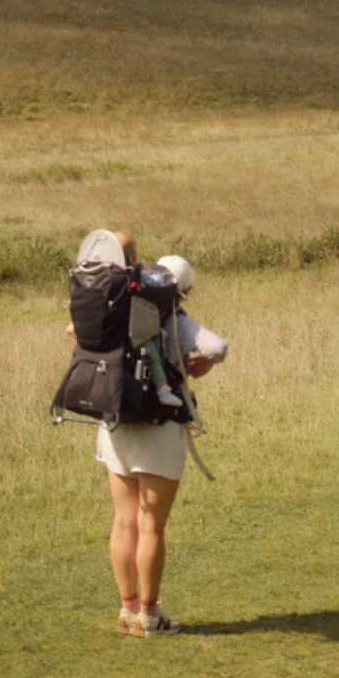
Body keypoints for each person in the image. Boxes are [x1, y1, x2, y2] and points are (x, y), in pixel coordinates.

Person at [90, 233, 228, 637]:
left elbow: (73, 330)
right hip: (159, 427)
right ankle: (149, 617)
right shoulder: (175, 317)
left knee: (124, 522)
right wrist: (198, 363)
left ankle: (127, 610)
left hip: (114, 424)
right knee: (151, 525)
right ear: (183, 290)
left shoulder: (117, 306)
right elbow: (218, 348)